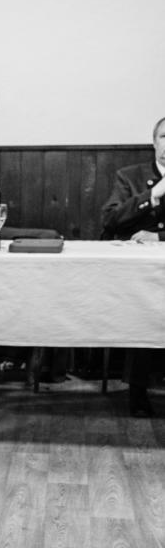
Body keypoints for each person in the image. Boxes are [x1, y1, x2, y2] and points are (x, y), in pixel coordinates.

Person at [101, 115, 165, 416]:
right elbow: (111, 219)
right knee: (145, 310)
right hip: (138, 274)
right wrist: (152, 195)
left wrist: (159, 236)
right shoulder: (130, 176)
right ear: (154, 142)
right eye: (164, 137)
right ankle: (138, 391)